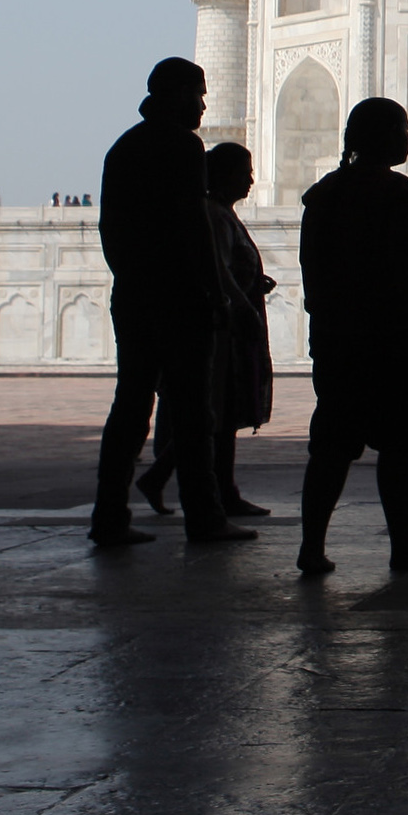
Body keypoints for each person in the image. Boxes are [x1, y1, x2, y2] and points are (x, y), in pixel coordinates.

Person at [88, 58, 252, 547]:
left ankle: (110, 515)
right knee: (193, 409)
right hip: (180, 296)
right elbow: (193, 225)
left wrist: (131, 279)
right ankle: (204, 516)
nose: (203, 104)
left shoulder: (125, 146)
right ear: (177, 94)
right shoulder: (181, 145)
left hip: (136, 293)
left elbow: (110, 230)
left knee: (131, 405)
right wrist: (216, 292)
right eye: (197, 94)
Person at [293, 98, 408, 576]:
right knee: (397, 446)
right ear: (382, 137)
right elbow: (402, 262)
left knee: (332, 446)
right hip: (391, 337)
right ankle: (401, 547)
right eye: (401, 128)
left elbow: (312, 274)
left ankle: (311, 547)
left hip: (339, 338)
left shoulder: (323, 196)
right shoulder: (397, 194)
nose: (407, 137)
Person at [136, 142, 274, 518]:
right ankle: (213, 492)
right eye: (243, 172)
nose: (249, 180)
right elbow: (220, 272)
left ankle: (186, 483)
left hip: (229, 323)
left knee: (219, 414)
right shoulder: (214, 216)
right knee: (216, 413)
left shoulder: (223, 215)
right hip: (222, 328)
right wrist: (243, 306)